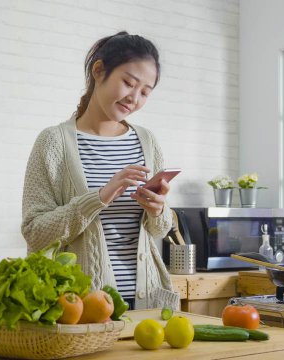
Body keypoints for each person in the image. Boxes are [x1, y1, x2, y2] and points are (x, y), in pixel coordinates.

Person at [21, 31, 179, 310]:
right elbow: (35, 232)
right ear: (99, 71)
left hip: (148, 300)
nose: (134, 98)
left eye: (145, 92)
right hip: (80, 306)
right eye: (128, 83)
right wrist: (99, 198)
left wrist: (158, 209)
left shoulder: (147, 141)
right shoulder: (53, 142)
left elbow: (160, 228)